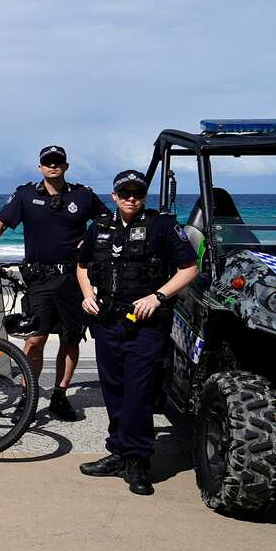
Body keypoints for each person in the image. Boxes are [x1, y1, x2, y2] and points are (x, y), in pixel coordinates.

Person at [0, 145, 110, 421]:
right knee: (35, 338)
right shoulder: (26, 194)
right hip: (39, 277)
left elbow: (106, 222)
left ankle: (59, 395)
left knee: (70, 339)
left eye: (58, 162)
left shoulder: (82, 195)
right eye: (48, 162)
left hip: (72, 278)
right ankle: (28, 397)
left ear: (66, 166)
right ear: (40, 167)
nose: (53, 166)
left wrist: (89, 241)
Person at [76, 170, 197, 495]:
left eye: (137, 193)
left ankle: (138, 461)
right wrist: (87, 295)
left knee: (139, 391)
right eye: (124, 193)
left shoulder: (162, 226)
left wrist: (158, 296)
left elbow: (190, 268)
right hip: (107, 322)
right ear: (114, 196)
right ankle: (118, 452)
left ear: (144, 196)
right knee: (113, 389)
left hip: (145, 325)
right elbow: (82, 265)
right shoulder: (99, 228)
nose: (131, 198)